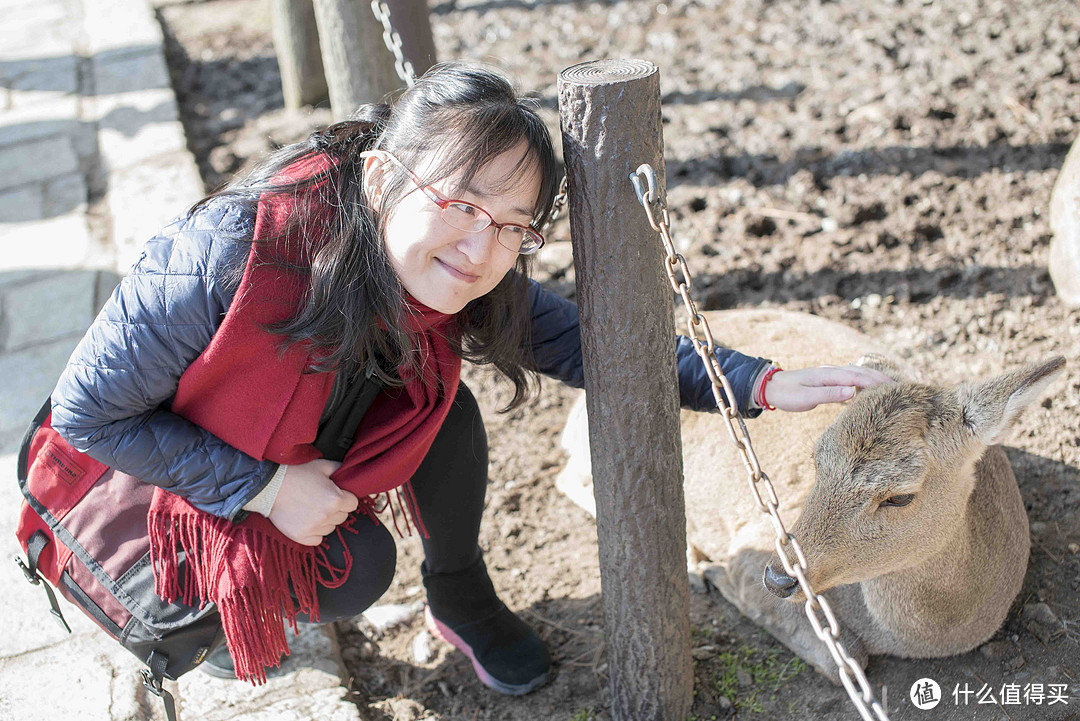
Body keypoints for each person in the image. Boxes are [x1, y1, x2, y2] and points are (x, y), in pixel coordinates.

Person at [48, 62, 891, 693]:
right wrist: (264, 489)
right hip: (150, 481)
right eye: (461, 202)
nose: (482, 249)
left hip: (289, 440)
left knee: (437, 402)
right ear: (382, 178)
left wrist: (753, 382)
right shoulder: (231, 254)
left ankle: (460, 592)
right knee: (358, 568)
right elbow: (90, 414)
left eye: (512, 226)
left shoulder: (443, 268)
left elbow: (585, 341)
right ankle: (224, 615)